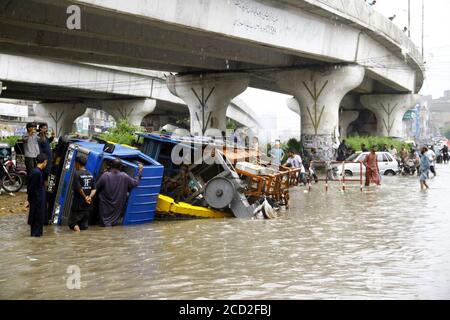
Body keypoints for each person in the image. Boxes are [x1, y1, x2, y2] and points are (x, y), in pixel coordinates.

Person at [90, 158, 143, 227]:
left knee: (104, 224)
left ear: (111, 165)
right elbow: (135, 183)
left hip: (104, 208)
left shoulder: (105, 175)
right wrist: (139, 172)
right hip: (117, 210)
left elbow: (95, 187)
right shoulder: (124, 176)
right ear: (121, 167)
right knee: (111, 225)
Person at [68, 155, 95, 232]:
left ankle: (78, 236)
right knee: (83, 226)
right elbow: (94, 188)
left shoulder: (77, 174)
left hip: (78, 205)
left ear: (77, 163)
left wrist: (85, 197)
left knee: (72, 223)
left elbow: (79, 188)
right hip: (88, 206)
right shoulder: (90, 174)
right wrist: (89, 197)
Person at [27, 153, 48, 237]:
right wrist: (28, 200)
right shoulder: (36, 173)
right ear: (45, 162)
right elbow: (31, 189)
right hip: (37, 201)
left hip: (38, 200)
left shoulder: (38, 172)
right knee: (37, 222)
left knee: (39, 221)